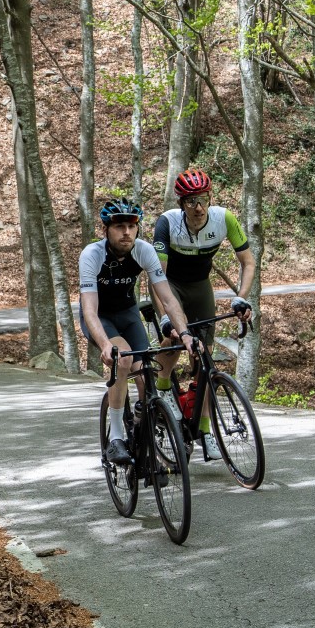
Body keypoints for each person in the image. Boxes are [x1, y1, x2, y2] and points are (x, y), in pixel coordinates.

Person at [79, 198, 197, 466]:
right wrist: (105, 345)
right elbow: (89, 309)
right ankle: (117, 438)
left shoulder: (143, 250)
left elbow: (167, 298)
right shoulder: (92, 255)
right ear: (106, 230)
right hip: (101, 317)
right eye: (119, 226)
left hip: (128, 313)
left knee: (148, 372)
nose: (127, 233)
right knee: (124, 358)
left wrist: (186, 333)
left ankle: (145, 430)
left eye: (132, 226)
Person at [152, 168, 255, 458]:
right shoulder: (167, 223)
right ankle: (162, 388)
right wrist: (164, 315)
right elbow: (157, 274)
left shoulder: (224, 219)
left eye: (203, 199)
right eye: (190, 201)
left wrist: (241, 298)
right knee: (174, 337)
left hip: (200, 287)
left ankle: (206, 428)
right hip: (169, 285)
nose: (198, 207)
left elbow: (247, 262)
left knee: (206, 359)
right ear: (181, 204)